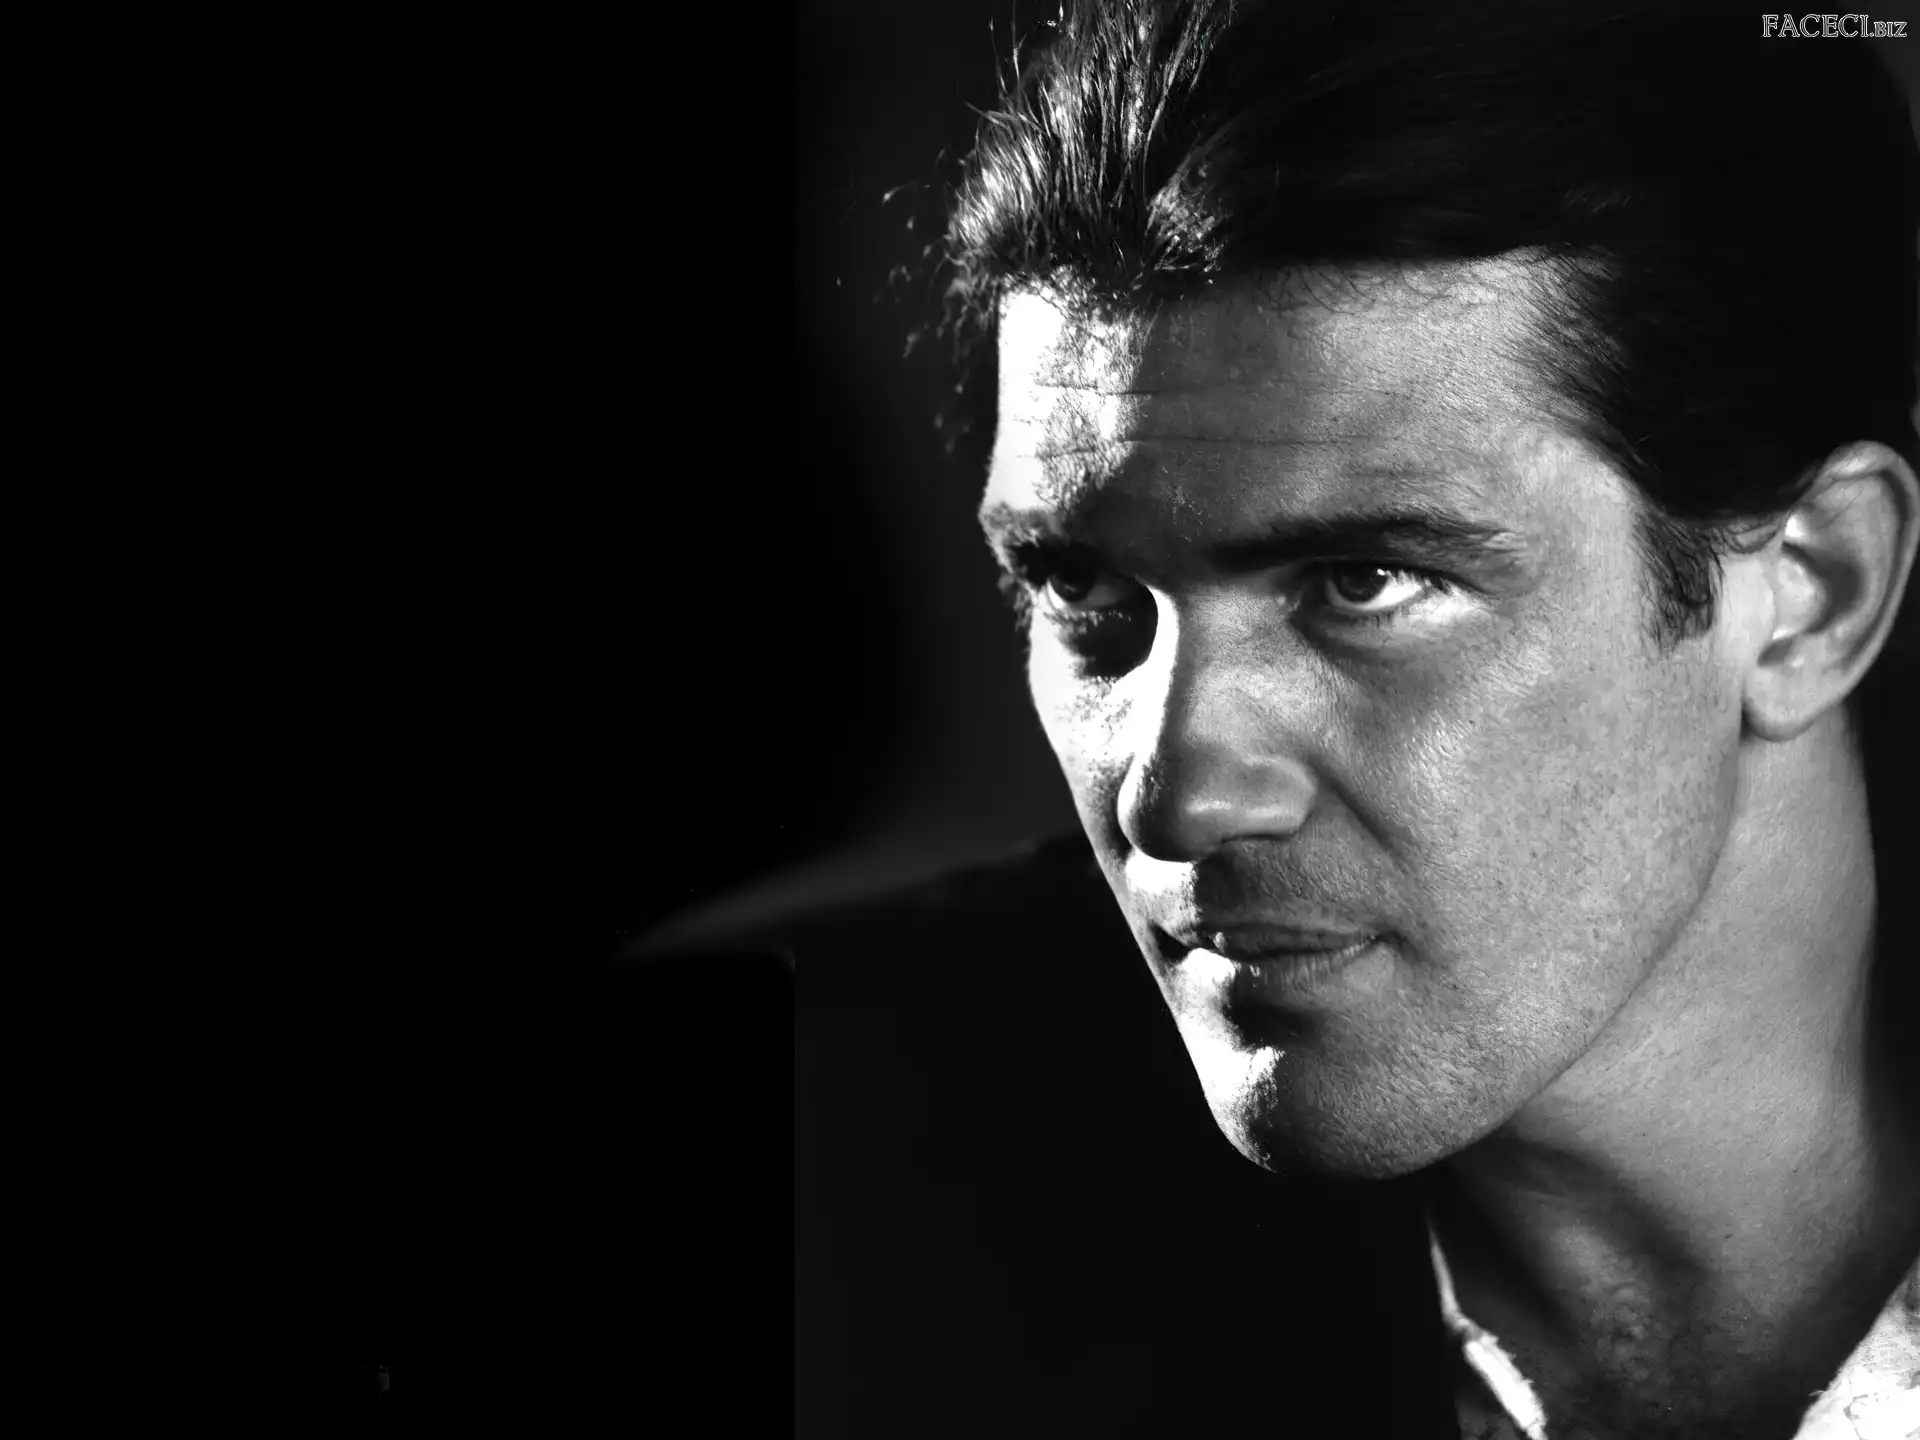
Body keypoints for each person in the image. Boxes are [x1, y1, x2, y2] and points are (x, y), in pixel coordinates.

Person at [780, 5, 1920, 1436]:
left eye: (1363, 581)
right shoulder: (842, 1207)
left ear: (1813, 592)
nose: (1175, 794)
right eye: (1082, 591)